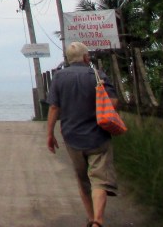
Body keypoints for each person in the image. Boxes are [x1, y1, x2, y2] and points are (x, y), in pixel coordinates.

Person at [46, 41, 119, 227]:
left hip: (72, 138)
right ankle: (98, 221)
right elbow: (113, 103)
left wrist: (50, 134)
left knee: (83, 179)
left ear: (69, 60)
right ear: (86, 57)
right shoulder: (98, 75)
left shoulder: (59, 77)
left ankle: (90, 217)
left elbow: (54, 107)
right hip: (98, 136)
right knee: (99, 180)